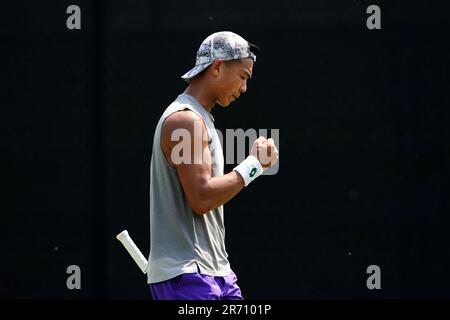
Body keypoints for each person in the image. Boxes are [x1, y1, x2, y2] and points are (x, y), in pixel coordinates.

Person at [147, 31, 279, 300]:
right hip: (188, 276)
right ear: (217, 67)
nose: (244, 88)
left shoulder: (200, 120)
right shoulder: (185, 120)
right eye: (243, 77)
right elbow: (202, 197)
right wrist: (254, 165)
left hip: (217, 273)